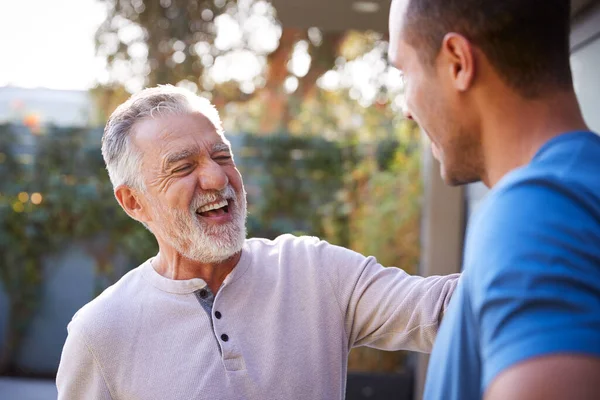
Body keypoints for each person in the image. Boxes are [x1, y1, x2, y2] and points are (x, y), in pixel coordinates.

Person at [56, 85, 458, 400]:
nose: (216, 178)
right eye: (182, 167)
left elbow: (445, 309)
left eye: (222, 156)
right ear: (134, 202)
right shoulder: (100, 332)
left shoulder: (315, 271)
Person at [388, 0, 600, 399]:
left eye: (404, 72)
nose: (407, 111)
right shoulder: (578, 194)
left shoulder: (534, 213)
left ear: (457, 62)